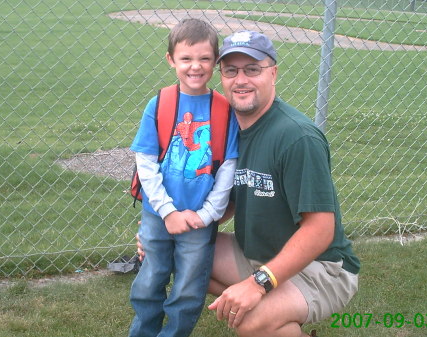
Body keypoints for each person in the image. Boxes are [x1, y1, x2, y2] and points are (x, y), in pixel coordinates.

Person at [137, 30, 360, 337]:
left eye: (252, 69)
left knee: (252, 322)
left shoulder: (296, 137)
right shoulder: (227, 128)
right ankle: (277, 313)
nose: (241, 80)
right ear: (221, 75)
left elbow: (320, 230)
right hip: (256, 254)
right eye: (231, 71)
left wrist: (260, 282)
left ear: (273, 73)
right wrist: (162, 230)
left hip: (321, 267)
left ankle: (273, 314)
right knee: (175, 254)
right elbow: (229, 201)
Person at [128, 18, 238, 337]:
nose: (195, 67)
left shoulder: (223, 109)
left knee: (189, 288)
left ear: (215, 61)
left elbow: (227, 167)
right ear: (171, 60)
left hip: (199, 219)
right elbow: (146, 163)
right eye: (186, 58)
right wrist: (167, 211)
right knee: (150, 280)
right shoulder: (160, 104)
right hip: (158, 214)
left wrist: (207, 214)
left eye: (204, 58)